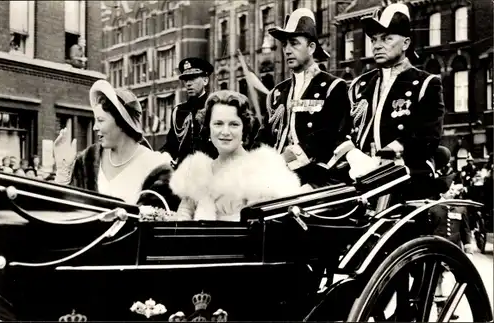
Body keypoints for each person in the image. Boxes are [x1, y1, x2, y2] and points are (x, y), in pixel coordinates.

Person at [329, 3, 445, 199]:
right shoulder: (360, 85)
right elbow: (340, 130)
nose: (376, 45)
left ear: (406, 43)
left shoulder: (425, 84)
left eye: (386, 38)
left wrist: (387, 155)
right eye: (374, 39)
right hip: (357, 178)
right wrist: (353, 155)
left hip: (404, 178)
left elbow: (427, 137)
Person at [169, 90, 302, 221]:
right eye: (218, 124)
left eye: (234, 124)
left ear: (244, 129)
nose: (225, 132)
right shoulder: (198, 172)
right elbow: (182, 220)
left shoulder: (263, 171)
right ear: (208, 128)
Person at [264, 8, 352, 188]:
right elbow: (265, 136)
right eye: (284, 44)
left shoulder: (333, 87)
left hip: (314, 181)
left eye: (294, 43)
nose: (287, 50)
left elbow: (330, 138)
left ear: (311, 47)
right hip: (273, 177)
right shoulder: (278, 92)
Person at [53, 80, 175, 205]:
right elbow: (65, 212)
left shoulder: (156, 166)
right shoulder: (86, 161)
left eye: (100, 120)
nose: (95, 127)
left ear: (122, 123)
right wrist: (64, 171)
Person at [160, 57, 218, 169]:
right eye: (186, 80)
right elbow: (171, 145)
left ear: (205, 80)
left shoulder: (214, 108)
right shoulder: (179, 111)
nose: (188, 84)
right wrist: (163, 155)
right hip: (183, 173)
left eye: (193, 78)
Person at [428, 183, 475, 319]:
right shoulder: (433, 208)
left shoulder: (461, 208)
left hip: (455, 251)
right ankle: (440, 310)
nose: (453, 193)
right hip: (437, 249)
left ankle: (451, 306)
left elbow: (465, 230)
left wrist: (468, 249)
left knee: (458, 279)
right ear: (442, 192)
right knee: (437, 280)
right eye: (450, 190)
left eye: (455, 190)